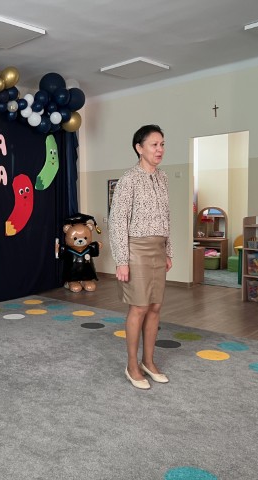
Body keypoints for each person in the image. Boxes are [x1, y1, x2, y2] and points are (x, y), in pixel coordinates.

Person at [108, 124, 173, 390]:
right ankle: (132, 366)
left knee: (155, 306)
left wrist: (168, 251)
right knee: (139, 307)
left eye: (162, 144)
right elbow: (117, 221)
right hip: (136, 250)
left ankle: (148, 361)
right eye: (154, 144)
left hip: (158, 249)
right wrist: (122, 260)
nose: (160, 149)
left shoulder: (163, 178)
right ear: (139, 148)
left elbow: (166, 217)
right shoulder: (129, 179)